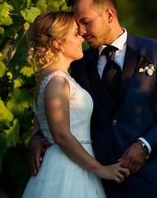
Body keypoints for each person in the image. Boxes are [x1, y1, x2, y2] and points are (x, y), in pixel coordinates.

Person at [30, 0, 157, 198]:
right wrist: (38, 136)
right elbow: (60, 105)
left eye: (86, 22)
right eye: (78, 25)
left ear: (109, 15)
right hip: (100, 182)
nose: (82, 31)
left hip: (152, 180)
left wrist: (144, 145)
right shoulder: (79, 63)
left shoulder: (155, 51)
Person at [22, 11, 130, 198]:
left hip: (70, 160)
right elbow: (61, 135)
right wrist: (101, 170)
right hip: (68, 167)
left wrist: (36, 139)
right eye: (75, 33)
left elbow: (39, 124)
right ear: (58, 43)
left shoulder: (48, 78)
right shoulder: (56, 81)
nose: (82, 37)